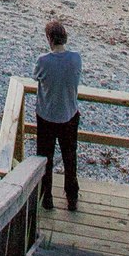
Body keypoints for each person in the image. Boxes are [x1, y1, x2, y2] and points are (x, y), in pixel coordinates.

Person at [33, 19, 81, 210]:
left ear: (49, 39)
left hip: (47, 116)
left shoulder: (43, 61)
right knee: (70, 157)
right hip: (69, 114)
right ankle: (72, 198)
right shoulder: (76, 58)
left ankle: (46, 198)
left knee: (46, 158)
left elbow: (36, 76)